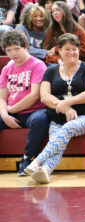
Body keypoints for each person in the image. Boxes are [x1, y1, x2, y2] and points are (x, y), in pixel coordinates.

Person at [25, 33, 85, 184]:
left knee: (67, 129)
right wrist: (66, 108)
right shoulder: (50, 70)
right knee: (57, 140)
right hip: (58, 117)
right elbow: (44, 96)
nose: (71, 52)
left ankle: (36, 162)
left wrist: (68, 102)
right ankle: (45, 171)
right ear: (59, 50)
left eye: (75, 48)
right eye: (67, 49)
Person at [0, 30, 49, 176]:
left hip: (34, 111)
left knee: (40, 120)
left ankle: (28, 159)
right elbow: (2, 97)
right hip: (11, 111)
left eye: (17, 48)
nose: (13, 53)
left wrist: (12, 109)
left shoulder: (38, 65)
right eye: (8, 50)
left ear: (26, 47)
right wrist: (4, 115)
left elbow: (35, 95)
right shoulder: (7, 69)